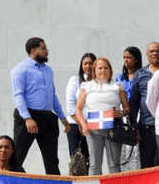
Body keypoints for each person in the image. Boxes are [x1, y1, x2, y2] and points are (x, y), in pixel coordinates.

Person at [10, 37, 70, 175]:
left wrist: (62, 117)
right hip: (28, 117)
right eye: (43, 48)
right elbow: (18, 95)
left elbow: (52, 94)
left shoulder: (48, 70)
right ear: (33, 50)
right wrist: (27, 118)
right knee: (17, 157)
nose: (47, 51)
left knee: (52, 161)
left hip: (48, 118)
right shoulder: (20, 69)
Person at [74, 57, 131, 175]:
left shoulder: (117, 86)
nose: (103, 70)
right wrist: (83, 125)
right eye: (100, 68)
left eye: (106, 68)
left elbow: (127, 108)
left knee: (114, 165)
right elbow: (78, 109)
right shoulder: (87, 86)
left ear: (110, 70)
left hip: (113, 130)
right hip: (93, 131)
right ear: (94, 70)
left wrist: (121, 113)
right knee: (94, 165)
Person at [129, 42, 159, 168]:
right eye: (151, 51)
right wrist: (134, 126)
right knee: (147, 164)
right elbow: (134, 102)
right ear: (147, 54)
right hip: (147, 126)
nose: (155, 53)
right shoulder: (140, 74)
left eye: (158, 51)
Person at [116, 46, 143, 171]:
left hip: (137, 113)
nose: (126, 60)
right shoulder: (119, 78)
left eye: (129, 58)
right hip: (123, 115)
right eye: (124, 58)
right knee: (123, 150)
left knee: (136, 149)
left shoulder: (142, 75)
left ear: (136, 59)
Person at [64, 53, 95, 159]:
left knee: (90, 158)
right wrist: (81, 124)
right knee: (76, 159)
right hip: (75, 124)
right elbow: (70, 106)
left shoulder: (99, 82)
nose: (88, 66)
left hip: (93, 124)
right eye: (85, 63)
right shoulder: (74, 80)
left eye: (91, 63)